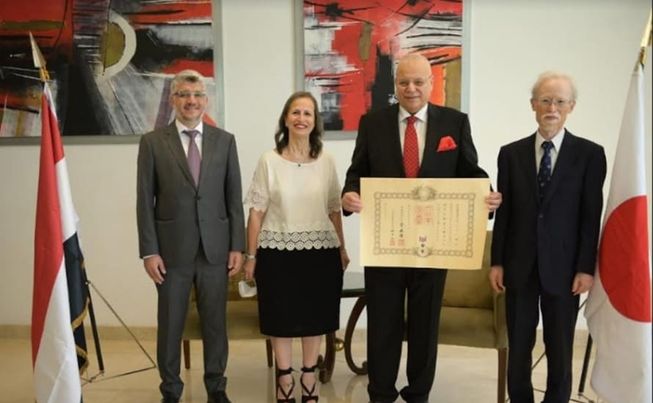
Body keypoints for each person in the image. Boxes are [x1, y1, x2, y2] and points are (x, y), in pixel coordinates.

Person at [341, 53, 502, 403]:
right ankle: (380, 393)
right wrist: (349, 194)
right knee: (382, 324)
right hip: (385, 243)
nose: (411, 88)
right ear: (395, 85)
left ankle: (418, 394)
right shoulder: (373, 123)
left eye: (418, 82)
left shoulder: (455, 123)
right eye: (403, 82)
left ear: (431, 83)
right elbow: (357, 172)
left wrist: (487, 193)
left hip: (433, 245)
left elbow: (470, 171)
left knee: (424, 326)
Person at [490, 71, 607, 403]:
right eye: (545, 100)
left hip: (566, 269)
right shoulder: (510, 154)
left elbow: (590, 216)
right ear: (533, 104)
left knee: (560, 347)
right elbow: (505, 214)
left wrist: (586, 267)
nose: (551, 108)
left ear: (571, 106)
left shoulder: (589, 155)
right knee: (518, 346)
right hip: (519, 266)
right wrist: (497, 262)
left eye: (559, 101)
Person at [136, 69, 245, 403]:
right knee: (171, 324)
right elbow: (144, 200)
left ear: (205, 100)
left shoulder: (225, 141)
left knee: (215, 324)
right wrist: (149, 251)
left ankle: (217, 387)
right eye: (184, 94)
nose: (191, 101)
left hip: (215, 251)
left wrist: (237, 246)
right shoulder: (153, 142)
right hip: (171, 253)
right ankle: (171, 390)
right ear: (173, 99)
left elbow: (233, 198)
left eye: (197, 95)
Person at [243, 91, 349, 403]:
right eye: (296, 112)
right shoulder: (269, 160)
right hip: (276, 251)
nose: (301, 118)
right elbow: (256, 212)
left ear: (315, 122)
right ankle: (284, 377)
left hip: (321, 251)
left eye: (307, 113)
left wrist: (342, 248)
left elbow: (334, 209)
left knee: (315, 317)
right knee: (281, 317)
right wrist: (251, 256)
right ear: (286, 119)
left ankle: (309, 376)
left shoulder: (326, 160)